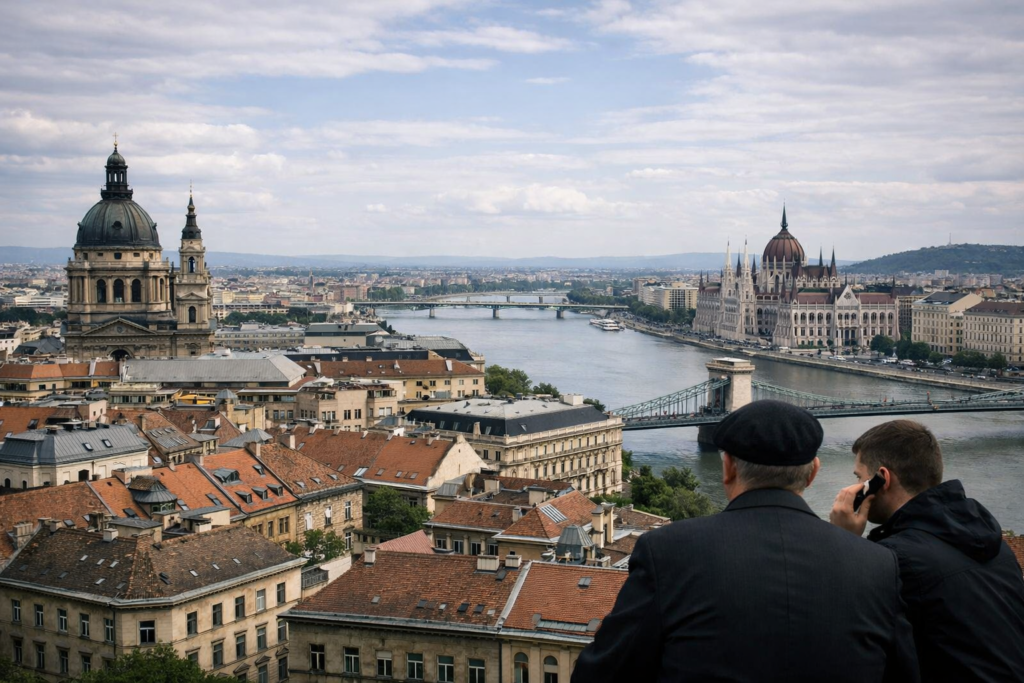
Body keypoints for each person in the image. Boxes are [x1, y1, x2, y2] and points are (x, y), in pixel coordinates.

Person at [572, 400, 918, 683]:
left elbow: (603, 675)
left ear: (728, 469)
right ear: (813, 473)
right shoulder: (877, 565)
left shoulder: (667, 551)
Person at [830, 419, 1024, 682]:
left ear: (882, 479)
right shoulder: (996, 545)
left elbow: (844, 634)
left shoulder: (895, 559)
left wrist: (844, 542)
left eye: (859, 477)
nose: (854, 486)